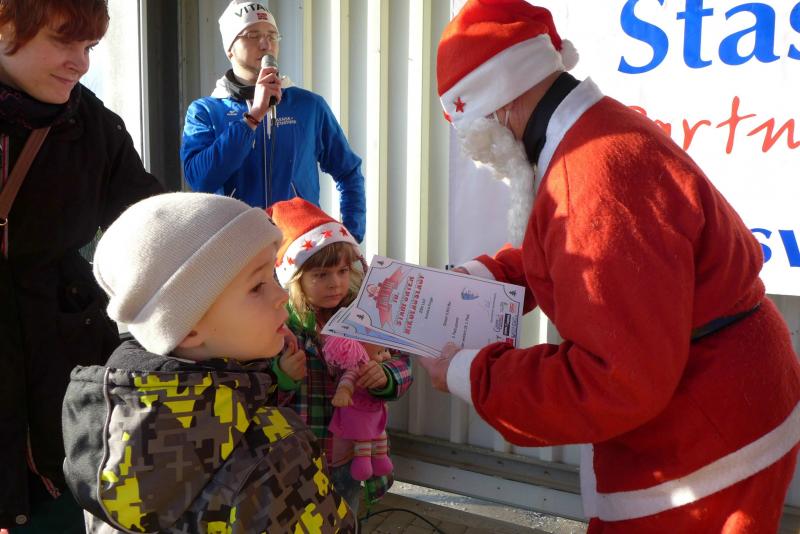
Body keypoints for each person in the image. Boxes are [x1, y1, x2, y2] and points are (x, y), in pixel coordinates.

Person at [420, 1, 800, 532]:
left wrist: (472, 373)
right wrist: (480, 280)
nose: (475, 152)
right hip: (725, 397)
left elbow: (614, 379)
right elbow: (575, 250)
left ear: (494, 109)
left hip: (704, 440)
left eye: (467, 129)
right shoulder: (591, 132)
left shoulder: (591, 178)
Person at [61, 192, 355, 533]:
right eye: (257, 286)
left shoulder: (105, 428)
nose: (281, 296)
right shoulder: (274, 449)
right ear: (187, 326)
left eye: (273, 277)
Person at [0, 0, 163, 530]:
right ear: (4, 24)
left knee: (57, 510)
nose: (81, 62)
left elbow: (151, 225)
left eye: (89, 45)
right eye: (62, 39)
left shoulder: (91, 124)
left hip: (59, 371)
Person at [269, 197, 413, 514]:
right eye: (321, 275)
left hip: (351, 455)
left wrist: (386, 376)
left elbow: (403, 364)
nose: (335, 283)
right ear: (295, 278)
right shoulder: (282, 329)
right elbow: (258, 393)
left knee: (344, 515)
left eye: (342, 270)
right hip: (300, 457)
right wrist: (282, 378)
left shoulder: (366, 316)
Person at [181, 0, 367, 243]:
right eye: (252, 35)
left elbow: (349, 172)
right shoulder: (205, 111)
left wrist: (350, 236)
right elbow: (200, 179)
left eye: (272, 36)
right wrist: (253, 117)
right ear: (230, 48)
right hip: (237, 250)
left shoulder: (309, 106)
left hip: (299, 247)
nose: (265, 44)